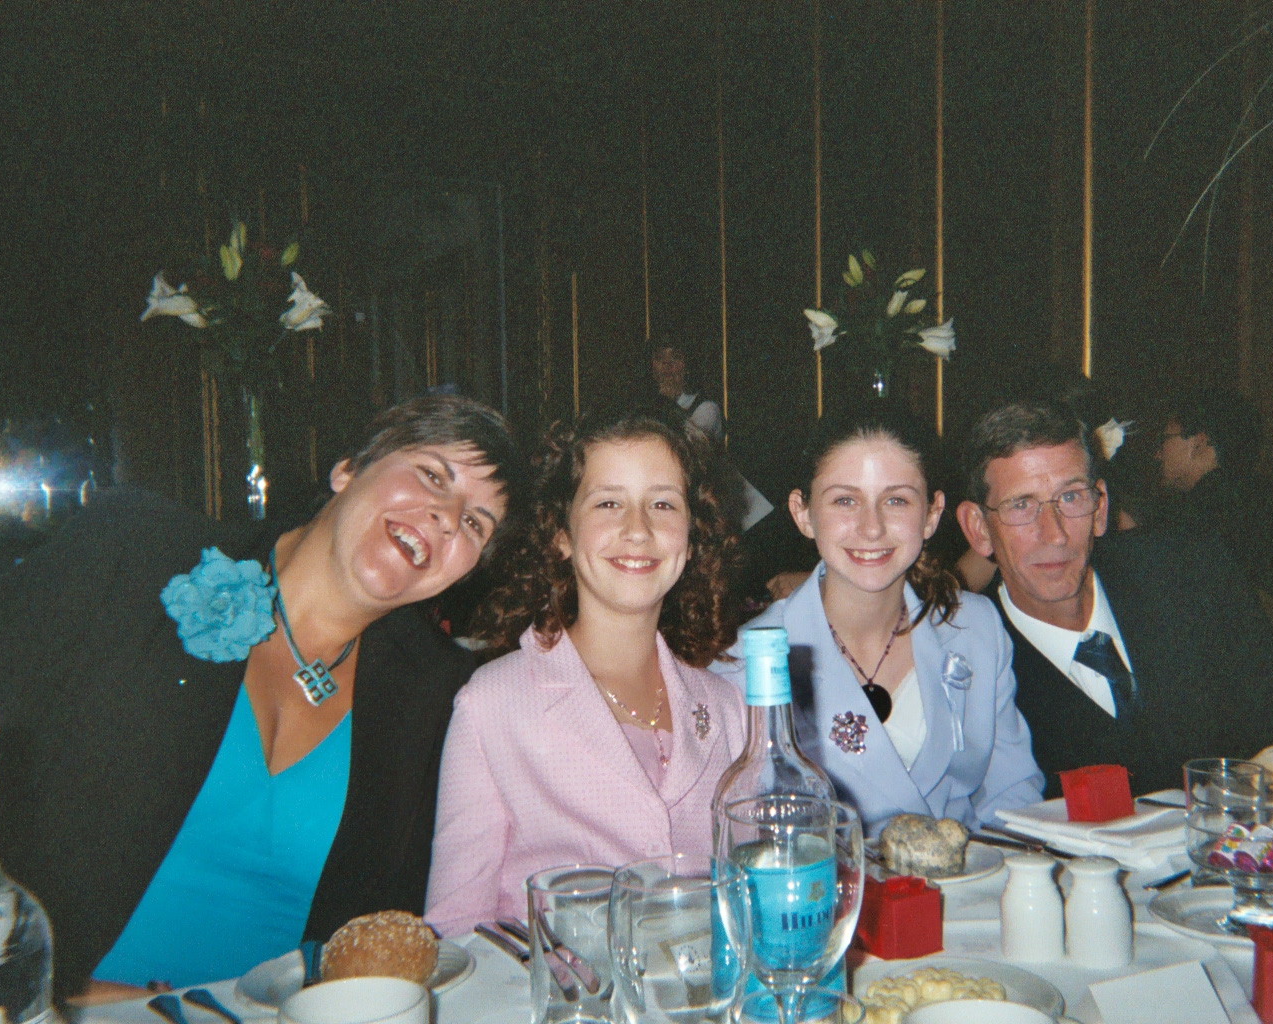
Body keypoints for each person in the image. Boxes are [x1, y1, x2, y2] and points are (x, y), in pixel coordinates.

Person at [0, 394, 524, 1001]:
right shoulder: (134, 554)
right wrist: (49, 990)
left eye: (475, 523)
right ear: (348, 469)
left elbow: (392, 925)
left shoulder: (434, 690)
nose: (447, 516)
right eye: (432, 475)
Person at [425, 411, 745, 936]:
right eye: (608, 503)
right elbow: (456, 928)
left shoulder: (727, 706)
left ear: (692, 536)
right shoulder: (491, 705)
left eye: (663, 504)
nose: (638, 529)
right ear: (561, 535)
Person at [954, 399, 1273, 797]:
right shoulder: (968, 665)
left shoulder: (1190, 575)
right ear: (979, 529)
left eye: (1071, 497)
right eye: (1021, 505)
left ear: (1100, 508)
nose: (1054, 534)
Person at [711, 406, 1044, 836]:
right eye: (845, 501)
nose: (872, 528)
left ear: (931, 514)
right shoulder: (744, 662)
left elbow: (1012, 797)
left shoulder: (975, 630)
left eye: (896, 500)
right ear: (803, 513)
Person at [1156, 387, 1273, 598]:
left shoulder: (1201, 509)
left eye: (1165, 439)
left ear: (1199, 442)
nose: (1158, 454)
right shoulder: (1265, 496)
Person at [650, 337, 723, 443]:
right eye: (659, 357)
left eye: (675, 357)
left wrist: (667, 403)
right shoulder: (645, 405)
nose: (667, 364)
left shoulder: (707, 409)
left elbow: (685, 445)